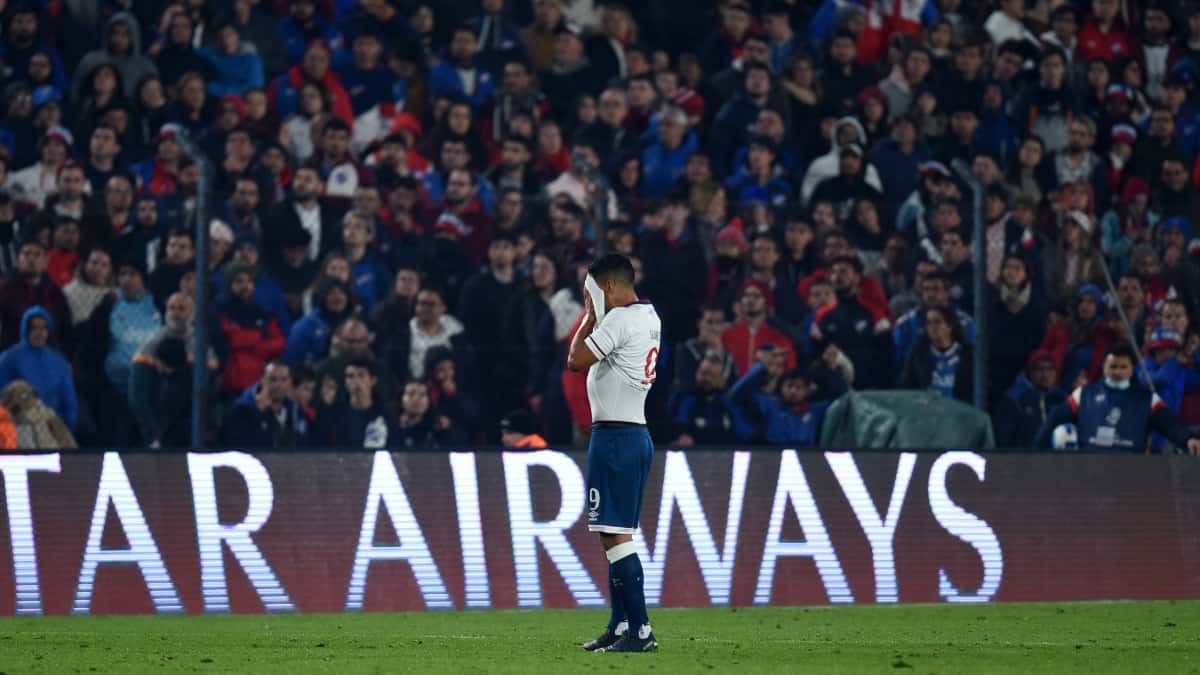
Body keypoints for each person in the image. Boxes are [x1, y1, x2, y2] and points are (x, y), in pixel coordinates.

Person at [566, 254, 660, 653]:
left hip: (616, 438)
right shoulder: (649, 317)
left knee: (616, 537)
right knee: (614, 534)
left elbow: (574, 360)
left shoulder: (619, 320)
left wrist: (589, 315)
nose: (591, 301)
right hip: (634, 433)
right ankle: (620, 623)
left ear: (606, 288)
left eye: (591, 293)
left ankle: (639, 631)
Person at [1035, 343, 1200, 453]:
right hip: (1087, 471)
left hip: (1130, 472)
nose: (1118, 372)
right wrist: (1036, 453)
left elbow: (1170, 424)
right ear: (1104, 368)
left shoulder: (1146, 398)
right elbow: (1053, 421)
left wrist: (1188, 439)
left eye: (1123, 367)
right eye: (1113, 366)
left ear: (1132, 369)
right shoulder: (1084, 394)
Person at [0, 306, 77, 431]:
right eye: (34, 328)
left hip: (53, 426)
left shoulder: (58, 360)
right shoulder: (10, 358)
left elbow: (69, 401)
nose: (39, 333)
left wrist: (67, 428)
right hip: (20, 427)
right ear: (26, 329)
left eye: (43, 328)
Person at [223, 360, 311, 448]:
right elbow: (240, 444)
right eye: (273, 379)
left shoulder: (296, 411)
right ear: (262, 380)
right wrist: (259, 414)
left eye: (284, 380)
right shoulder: (242, 410)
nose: (279, 385)